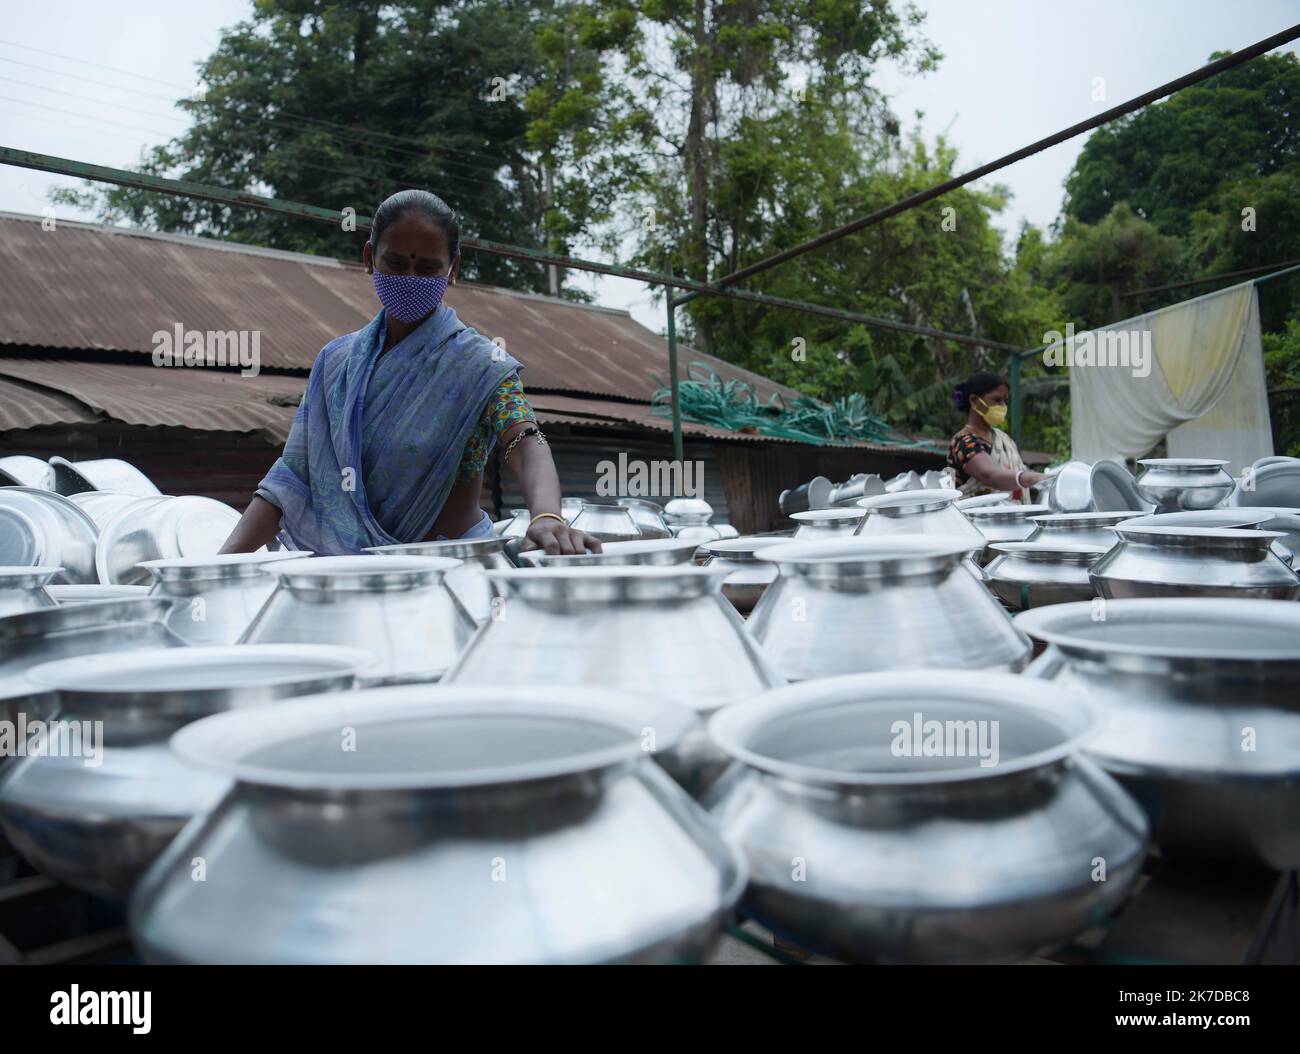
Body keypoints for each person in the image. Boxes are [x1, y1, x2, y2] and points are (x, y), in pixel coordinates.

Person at [219, 189, 600, 556]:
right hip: (351, 577)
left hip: (454, 573)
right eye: (397, 263)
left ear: (454, 269)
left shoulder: (482, 364)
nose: (411, 279)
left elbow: (524, 438)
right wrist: (219, 564)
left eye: (428, 267)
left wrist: (547, 515)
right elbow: (290, 479)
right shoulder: (336, 363)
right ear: (369, 257)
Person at [946, 371, 1049, 501]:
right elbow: (989, 474)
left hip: (1011, 517)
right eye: (997, 400)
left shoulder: (1003, 439)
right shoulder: (964, 442)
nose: (1002, 406)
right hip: (974, 519)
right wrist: (1030, 478)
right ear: (974, 401)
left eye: (1005, 401)